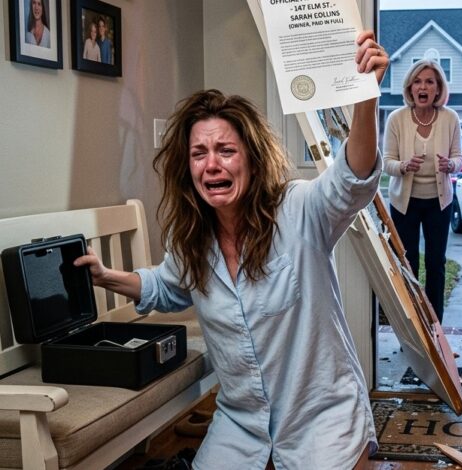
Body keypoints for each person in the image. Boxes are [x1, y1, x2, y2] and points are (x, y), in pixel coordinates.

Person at [73, 31, 389, 470]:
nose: (211, 164)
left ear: (252, 160)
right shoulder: (191, 240)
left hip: (321, 419)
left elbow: (351, 180)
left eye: (226, 151)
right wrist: (106, 276)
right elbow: (164, 286)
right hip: (242, 424)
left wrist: (365, 97)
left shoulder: (298, 208)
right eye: (199, 153)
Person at [382, 59, 462, 324]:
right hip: (404, 203)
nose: (423, 87)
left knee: (436, 264)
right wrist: (404, 166)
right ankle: (413, 325)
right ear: (410, 87)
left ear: (438, 88)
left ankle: (435, 325)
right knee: (408, 265)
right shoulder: (396, 119)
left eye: (429, 82)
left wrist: (451, 165)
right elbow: (386, 162)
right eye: (417, 81)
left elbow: (459, 157)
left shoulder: (450, 118)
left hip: (439, 203)